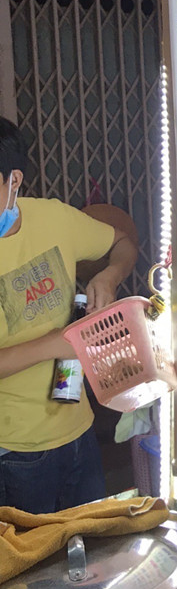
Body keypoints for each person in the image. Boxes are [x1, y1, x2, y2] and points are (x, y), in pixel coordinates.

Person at [0, 117, 139, 512]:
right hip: (13, 451)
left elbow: (123, 242)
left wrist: (110, 276)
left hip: (78, 430)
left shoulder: (53, 217)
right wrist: (55, 344)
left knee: (93, 542)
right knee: (35, 552)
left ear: (14, 181)